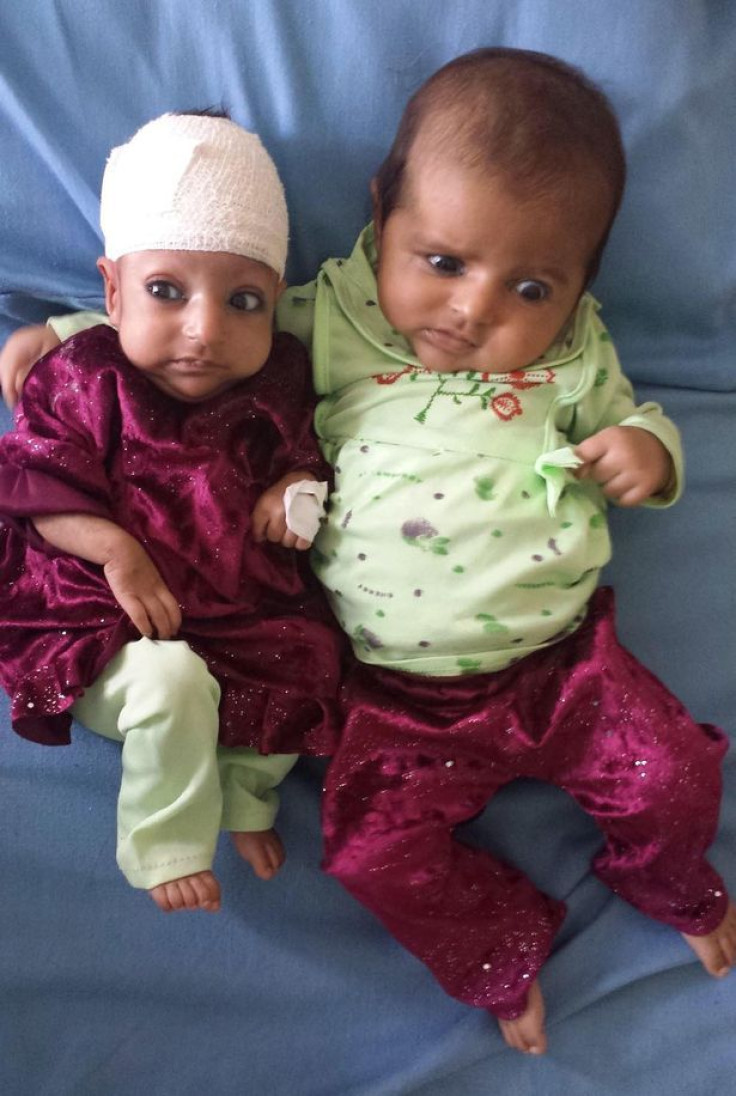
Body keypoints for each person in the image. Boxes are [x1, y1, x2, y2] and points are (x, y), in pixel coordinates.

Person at [3, 50, 735, 1055]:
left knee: (673, 771)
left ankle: (659, 872)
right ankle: (499, 941)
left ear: (578, 286)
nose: (472, 310)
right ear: (380, 213)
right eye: (440, 262)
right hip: (389, 698)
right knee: (371, 852)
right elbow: (205, 330)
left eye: (529, 284)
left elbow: (631, 415)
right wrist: (78, 332)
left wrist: (646, 449)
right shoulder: (327, 317)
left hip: (567, 670)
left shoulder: (574, 353)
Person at [0, 111, 343, 916]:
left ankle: (244, 793)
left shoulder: (281, 377)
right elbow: (40, 485)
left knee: (316, 657)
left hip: (243, 610)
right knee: (172, 683)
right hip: (102, 618)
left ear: (278, 305)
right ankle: (168, 844)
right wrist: (116, 549)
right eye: (165, 292)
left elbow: (309, 457)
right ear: (112, 292)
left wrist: (293, 494)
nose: (204, 331)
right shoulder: (89, 373)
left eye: (245, 301)